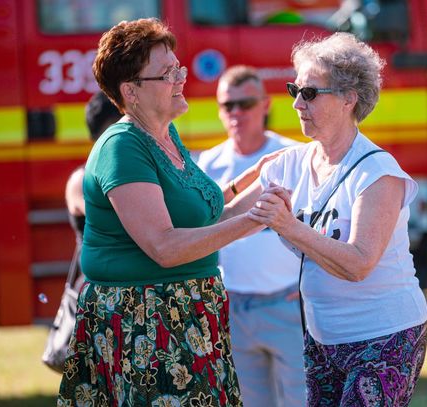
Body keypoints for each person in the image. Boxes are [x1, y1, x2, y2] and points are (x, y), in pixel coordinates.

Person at [57, 18, 282, 406]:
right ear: (131, 91)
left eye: (178, 68)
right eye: (167, 74)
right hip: (145, 327)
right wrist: (257, 217)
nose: (180, 79)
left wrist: (265, 181)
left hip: (188, 318)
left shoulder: (166, 135)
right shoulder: (121, 146)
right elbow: (165, 247)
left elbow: (210, 219)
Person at [247, 32, 427, 406]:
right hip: (322, 338)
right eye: (294, 90)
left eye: (310, 93)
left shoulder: (377, 171)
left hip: (385, 334)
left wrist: (289, 226)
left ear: (349, 98)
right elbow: (223, 216)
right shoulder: (288, 165)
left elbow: (359, 263)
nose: (297, 103)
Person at [197, 65, 306, 407]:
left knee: (303, 399)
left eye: (245, 104)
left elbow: (317, 226)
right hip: (234, 307)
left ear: (265, 104)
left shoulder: (290, 156)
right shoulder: (208, 164)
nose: (236, 113)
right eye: (228, 105)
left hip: (288, 302)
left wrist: (308, 287)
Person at [65, 91, 122, 253]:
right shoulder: (81, 179)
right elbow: (110, 224)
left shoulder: (142, 172)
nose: (123, 138)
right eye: (114, 131)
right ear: (96, 137)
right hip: (98, 268)